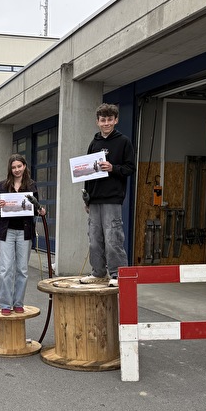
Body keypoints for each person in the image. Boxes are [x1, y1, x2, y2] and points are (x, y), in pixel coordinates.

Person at [81, 103, 135, 287]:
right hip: (94, 199)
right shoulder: (94, 143)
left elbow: (130, 168)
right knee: (94, 239)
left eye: (110, 120)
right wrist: (86, 197)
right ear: (97, 122)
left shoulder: (124, 141)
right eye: (103, 120)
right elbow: (87, 173)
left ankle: (118, 275)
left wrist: (113, 168)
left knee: (113, 238)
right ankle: (98, 272)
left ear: (116, 120)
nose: (106, 123)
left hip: (112, 198)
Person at [0, 153, 46, 315]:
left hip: (24, 232)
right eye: (13, 167)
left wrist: (41, 211)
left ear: (24, 167)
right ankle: (5, 304)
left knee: (22, 269)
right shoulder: (2, 185)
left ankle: (18, 302)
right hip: (6, 232)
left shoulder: (31, 185)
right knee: (5, 269)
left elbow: (35, 208)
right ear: (10, 168)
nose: (16, 170)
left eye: (19, 166)